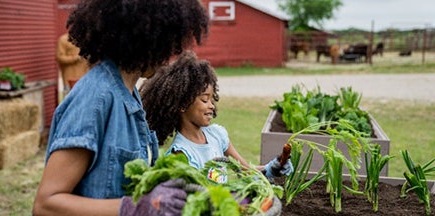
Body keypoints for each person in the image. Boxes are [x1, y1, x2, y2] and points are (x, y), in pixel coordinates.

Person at [32, 0, 209, 215]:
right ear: (146, 38)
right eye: (168, 42)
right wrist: (134, 207)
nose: (171, 54)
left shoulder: (129, 93)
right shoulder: (95, 97)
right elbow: (46, 205)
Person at [139, 51, 293, 181]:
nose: (212, 106)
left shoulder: (217, 135)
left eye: (212, 100)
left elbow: (246, 171)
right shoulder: (180, 155)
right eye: (205, 99)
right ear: (183, 104)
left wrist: (271, 168)